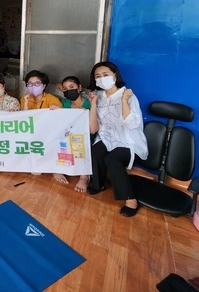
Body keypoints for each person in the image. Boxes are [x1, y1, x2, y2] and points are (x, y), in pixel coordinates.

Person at [87, 61, 148, 217]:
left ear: (115, 75)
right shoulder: (98, 96)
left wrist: (123, 102)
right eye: (98, 76)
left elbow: (132, 124)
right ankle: (98, 184)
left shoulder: (127, 95)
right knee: (95, 151)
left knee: (112, 159)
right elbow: (93, 128)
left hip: (128, 141)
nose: (102, 78)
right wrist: (93, 104)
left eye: (105, 75)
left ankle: (130, 199)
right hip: (107, 138)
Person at [59, 75, 93, 192]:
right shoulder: (64, 104)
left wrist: (85, 114)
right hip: (67, 136)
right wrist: (54, 109)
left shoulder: (90, 104)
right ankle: (57, 170)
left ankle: (84, 176)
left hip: (86, 137)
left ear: (79, 88)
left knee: (84, 146)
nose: (69, 90)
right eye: (65, 88)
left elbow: (94, 127)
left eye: (72, 87)